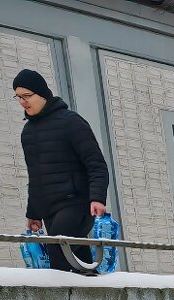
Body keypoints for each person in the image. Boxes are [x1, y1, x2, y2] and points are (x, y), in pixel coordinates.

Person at [13, 69, 109, 273]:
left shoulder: (70, 122)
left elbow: (96, 164)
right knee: (78, 260)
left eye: (27, 96)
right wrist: (33, 213)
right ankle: (92, 293)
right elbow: (36, 177)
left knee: (58, 252)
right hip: (49, 209)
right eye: (19, 97)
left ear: (42, 93)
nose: (23, 102)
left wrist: (97, 198)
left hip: (76, 202)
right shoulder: (28, 132)